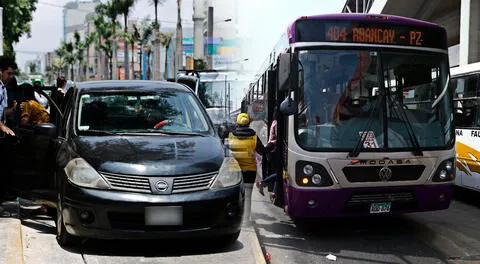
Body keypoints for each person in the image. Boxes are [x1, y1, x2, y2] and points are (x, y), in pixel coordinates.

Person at [227, 113, 270, 183]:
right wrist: (271, 145)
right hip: (250, 170)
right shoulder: (254, 137)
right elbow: (262, 151)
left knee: (236, 191)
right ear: (249, 123)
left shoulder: (230, 136)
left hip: (234, 169)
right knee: (248, 191)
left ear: (237, 123)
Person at [0, 56, 17, 206]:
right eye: (8, 73)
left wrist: (13, 109)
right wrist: (2, 126)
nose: (10, 77)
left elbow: (3, 112)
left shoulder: (3, 88)